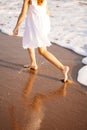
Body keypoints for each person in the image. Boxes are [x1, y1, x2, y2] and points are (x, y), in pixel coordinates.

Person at [13, 0, 69, 82]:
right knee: (29, 38)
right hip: (43, 23)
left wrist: (16, 27)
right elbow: (47, 12)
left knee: (42, 51)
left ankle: (62, 68)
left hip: (36, 23)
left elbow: (23, 14)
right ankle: (33, 63)